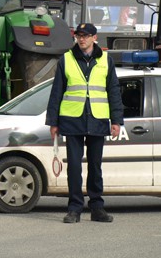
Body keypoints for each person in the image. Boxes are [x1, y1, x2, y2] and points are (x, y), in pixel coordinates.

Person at [45, 23, 124, 224]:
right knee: (74, 167)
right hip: (72, 120)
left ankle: (97, 208)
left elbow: (114, 91)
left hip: (97, 119)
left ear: (94, 38)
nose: (82, 39)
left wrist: (116, 121)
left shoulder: (106, 60)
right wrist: (53, 122)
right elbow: (57, 92)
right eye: (79, 36)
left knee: (95, 167)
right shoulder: (67, 59)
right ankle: (74, 209)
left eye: (86, 36)